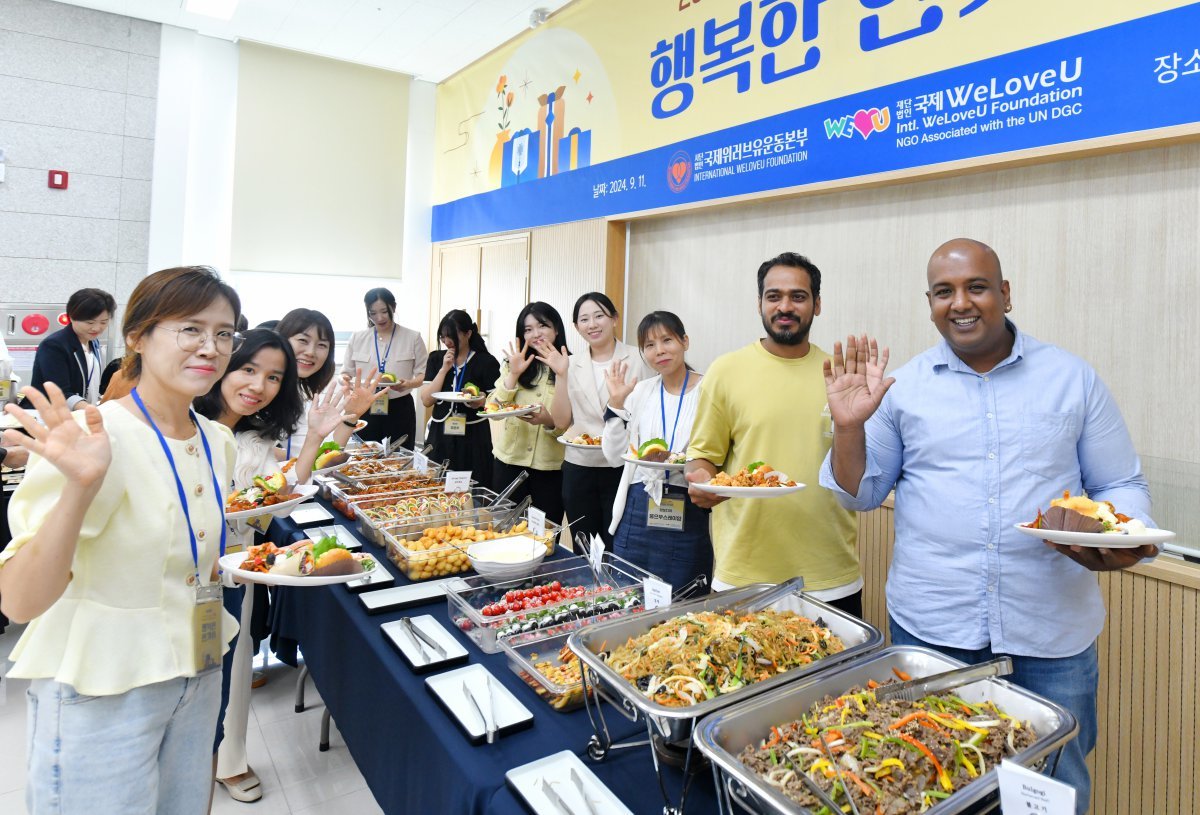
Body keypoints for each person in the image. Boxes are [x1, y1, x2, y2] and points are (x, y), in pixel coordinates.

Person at [819, 238, 1158, 814]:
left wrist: (1128, 538)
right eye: (943, 292)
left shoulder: (1071, 378)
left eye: (976, 286)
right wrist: (848, 427)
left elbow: (1120, 484)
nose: (961, 303)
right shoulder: (903, 388)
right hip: (933, 630)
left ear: (1005, 293)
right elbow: (860, 495)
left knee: (1053, 781)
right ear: (928, 303)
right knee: (927, 775)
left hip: (1052, 634)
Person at [1, 266, 241, 814]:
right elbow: (17, 600)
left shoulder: (217, 439)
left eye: (224, 333)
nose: (211, 347)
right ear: (136, 336)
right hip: (104, 691)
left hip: (198, 672)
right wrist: (81, 488)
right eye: (190, 328)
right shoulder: (91, 437)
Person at [194, 328, 348, 803]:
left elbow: (274, 490)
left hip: (234, 571)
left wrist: (318, 437)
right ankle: (188, 759)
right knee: (187, 680)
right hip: (181, 576)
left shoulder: (256, 435)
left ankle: (227, 758)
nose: (259, 385)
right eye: (248, 369)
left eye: (273, 377)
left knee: (231, 674)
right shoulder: (183, 424)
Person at [685, 252, 862, 616]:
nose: (785, 306)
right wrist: (701, 479)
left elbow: (860, 475)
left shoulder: (841, 375)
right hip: (744, 574)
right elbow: (703, 456)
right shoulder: (726, 370)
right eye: (773, 296)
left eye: (798, 296)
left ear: (817, 304)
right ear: (759, 303)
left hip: (831, 574)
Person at [601, 311, 710, 587]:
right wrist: (616, 403)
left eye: (667, 340)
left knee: (683, 602)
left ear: (685, 341)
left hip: (687, 508)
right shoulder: (640, 392)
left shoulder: (709, 390)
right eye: (649, 345)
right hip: (637, 508)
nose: (659, 351)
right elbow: (614, 457)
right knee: (629, 595)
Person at [557, 293, 652, 543]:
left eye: (599, 316)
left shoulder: (638, 357)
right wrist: (560, 375)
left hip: (621, 465)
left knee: (620, 541)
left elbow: (647, 413)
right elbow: (561, 421)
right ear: (577, 327)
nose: (592, 324)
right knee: (584, 544)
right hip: (579, 464)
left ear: (615, 319)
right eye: (584, 319)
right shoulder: (569, 363)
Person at [487, 302, 572, 522]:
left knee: (545, 531)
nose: (536, 334)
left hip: (552, 466)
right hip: (509, 461)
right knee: (502, 525)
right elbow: (492, 409)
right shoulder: (513, 363)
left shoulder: (572, 366)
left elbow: (572, 425)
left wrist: (549, 422)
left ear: (557, 329)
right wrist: (513, 374)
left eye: (542, 325)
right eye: (528, 329)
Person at [276, 307, 382, 458]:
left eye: (322, 345)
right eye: (303, 340)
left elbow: (322, 456)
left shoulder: (297, 392)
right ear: (282, 339)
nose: (311, 352)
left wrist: (352, 415)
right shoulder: (264, 388)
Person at [419, 310, 501, 488]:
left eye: (452, 336)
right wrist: (444, 369)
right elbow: (426, 400)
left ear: (468, 333)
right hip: (440, 434)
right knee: (437, 484)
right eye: (443, 337)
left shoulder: (486, 362)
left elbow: (497, 404)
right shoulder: (436, 358)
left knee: (474, 487)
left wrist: (482, 402)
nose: (447, 342)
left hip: (474, 436)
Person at [341, 287, 426, 445]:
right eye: (373, 313)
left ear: (393, 307)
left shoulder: (413, 337)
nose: (379, 318)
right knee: (365, 456)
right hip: (365, 406)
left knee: (400, 455)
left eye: (384, 311)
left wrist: (409, 384)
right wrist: (346, 380)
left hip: (400, 406)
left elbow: (423, 375)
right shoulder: (357, 338)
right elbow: (345, 373)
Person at [29, 287, 116, 409]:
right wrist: (92, 411)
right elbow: (61, 392)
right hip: (51, 415)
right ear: (72, 317)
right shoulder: (54, 345)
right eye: (90, 323)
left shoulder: (93, 342)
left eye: (103, 322)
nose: (97, 328)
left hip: (81, 415)